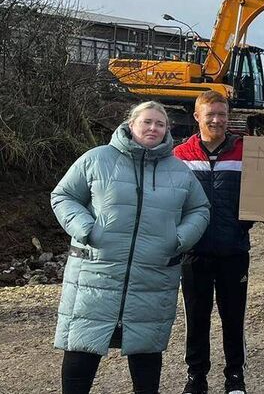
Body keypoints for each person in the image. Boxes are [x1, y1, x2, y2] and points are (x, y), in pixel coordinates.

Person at [52, 101, 210, 394]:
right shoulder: (96, 159)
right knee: (81, 347)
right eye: (147, 122)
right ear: (131, 124)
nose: (153, 128)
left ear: (167, 130)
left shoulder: (179, 171)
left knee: (146, 352)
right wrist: (86, 229)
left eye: (160, 124)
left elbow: (200, 209)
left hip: (152, 275)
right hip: (96, 271)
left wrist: (178, 239)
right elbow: (63, 196)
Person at [174, 91, 251, 394]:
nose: (217, 120)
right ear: (197, 117)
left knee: (233, 316)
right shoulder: (179, 155)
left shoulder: (247, 152)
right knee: (196, 317)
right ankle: (196, 377)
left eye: (222, 114)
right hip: (194, 252)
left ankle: (235, 376)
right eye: (210, 115)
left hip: (234, 250)